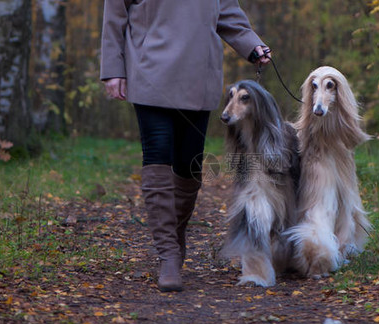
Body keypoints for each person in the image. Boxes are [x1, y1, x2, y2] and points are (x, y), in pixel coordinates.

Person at [100, 0, 271, 292]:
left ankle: (176, 235)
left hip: (199, 75)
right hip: (149, 69)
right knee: (157, 153)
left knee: (188, 162)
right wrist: (113, 68)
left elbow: (226, 11)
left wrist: (252, 45)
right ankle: (168, 254)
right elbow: (115, 15)